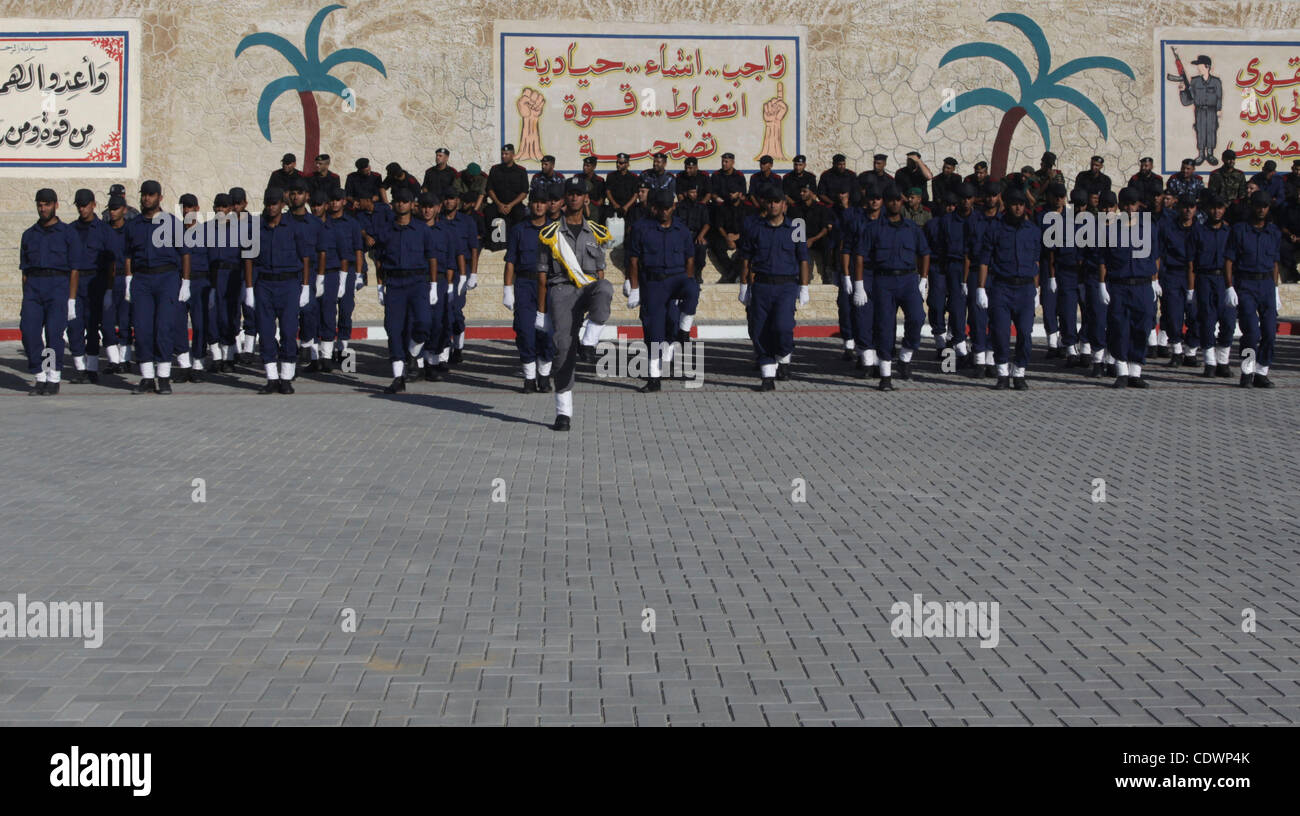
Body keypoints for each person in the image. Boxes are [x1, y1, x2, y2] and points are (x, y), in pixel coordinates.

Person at [535, 176, 614, 430]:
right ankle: (563, 413)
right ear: (564, 198)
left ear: (586, 198)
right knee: (563, 349)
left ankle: (589, 342)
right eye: (570, 193)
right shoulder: (550, 233)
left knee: (606, 287)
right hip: (562, 291)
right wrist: (542, 311)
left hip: (588, 287)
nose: (574, 197)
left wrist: (598, 301)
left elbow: (600, 271)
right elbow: (543, 274)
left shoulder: (596, 232)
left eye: (579, 193)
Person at [625, 189, 700, 392]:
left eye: (668, 208)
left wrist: (687, 281)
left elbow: (690, 258)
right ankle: (654, 378)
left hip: (677, 280)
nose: (664, 212)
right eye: (660, 208)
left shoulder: (682, 230)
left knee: (693, 289)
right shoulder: (641, 228)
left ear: (673, 207)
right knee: (654, 331)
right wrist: (634, 288)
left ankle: (684, 331)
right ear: (653, 207)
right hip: (653, 284)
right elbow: (633, 260)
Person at [738, 187, 809, 390]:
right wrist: (744, 286)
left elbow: (803, 258)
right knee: (760, 331)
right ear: (764, 204)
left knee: (783, 327)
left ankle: (784, 357)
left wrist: (804, 287)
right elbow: (746, 259)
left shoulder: (796, 227)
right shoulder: (755, 228)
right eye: (769, 201)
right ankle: (767, 377)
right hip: (761, 285)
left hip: (786, 286)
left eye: (777, 201)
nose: (773, 205)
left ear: (784, 205)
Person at [124, 180, 191, 395]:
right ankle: (146, 377)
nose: (147, 198)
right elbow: (127, 255)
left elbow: (185, 253)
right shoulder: (133, 225)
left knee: (164, 328)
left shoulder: (172, 222)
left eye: (152, 194)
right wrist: (128, 279)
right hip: (142, 280)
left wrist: (186, 282)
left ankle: (163, 377)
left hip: (167, 278)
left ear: (160, 198)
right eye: (144, 194)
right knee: (142, 329)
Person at [247, 186, 311, 393]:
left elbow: (306, 257)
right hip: (264, 284)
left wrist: (306, 286)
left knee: (288, 331)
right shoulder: (257, 228)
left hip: (289, 284)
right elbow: (248, 259)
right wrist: (248, 288)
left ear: (282, 205)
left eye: (274, 203)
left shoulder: (293, 227)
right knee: (265, 332)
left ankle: (286, 378)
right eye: (268, 203)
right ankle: (271, 378)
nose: (271, 207)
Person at [976, 186, 1040, 389]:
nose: (1019, 208)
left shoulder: (1033, 231)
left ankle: (1019, 372)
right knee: (1001, 333)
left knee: (1024, 333)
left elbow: (1036, 262)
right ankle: (1002, 373)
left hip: (1025, 288)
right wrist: (981, 288)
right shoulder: (995, 228)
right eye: (1015, 204)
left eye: (1022, 205)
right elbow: (985, 261)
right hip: (1001, 288)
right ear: (1008, 206)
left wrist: (1037, 290)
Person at [868, 186, 930, 391]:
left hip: (908, 280)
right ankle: (885, 376)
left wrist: (923, 279)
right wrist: (859, 283)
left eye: (898, 200)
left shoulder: (912, 228)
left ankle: (905, 356)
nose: (894, 203)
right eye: (891, 200)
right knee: (885, 327)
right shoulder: (876, 228)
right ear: (886, 203)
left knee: (917, 317)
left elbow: (924, 253)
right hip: (884, 281)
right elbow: (861, 255)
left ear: (902, 202)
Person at [18, 188, 80, 395]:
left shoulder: (68, 233)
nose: (42, 208)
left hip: (57, 285)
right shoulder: (29, 235)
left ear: (56, 205)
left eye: (46, 204)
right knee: (29, 331)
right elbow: (24, 271)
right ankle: (39, 375)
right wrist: (26, 296)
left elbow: (74, 270)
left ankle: (53, 376)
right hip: (34, 286)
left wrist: (71, 299)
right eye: (39, 204)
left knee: (54, 334)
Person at [1099, 188, 1162, 388]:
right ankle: (1122, 372)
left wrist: (1154, 281)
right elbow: (1102, 260)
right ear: (1119, 206)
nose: (1129, 208)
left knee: (1142, 327)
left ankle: (1136, 372)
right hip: (1119, 286)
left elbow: (1156, 256)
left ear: (1138, 205)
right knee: (1119, 328)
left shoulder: (1149, 227)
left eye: (1133, 204)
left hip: (1143, 286)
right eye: (1125, 204)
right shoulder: (1110, 229)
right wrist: (1102, 285)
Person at [1225, 190, 1283, 387]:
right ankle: (1247, 371)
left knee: (1269, 332)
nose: (1261, 210)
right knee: (1251, 332)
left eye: (1265, 206)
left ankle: (1261, 372)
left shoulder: (1274, 232)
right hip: (1246, 284)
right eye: (1258, 206)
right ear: (1252, 207)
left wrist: (1275, 290)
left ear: (1268, 208)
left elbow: (1275, 262)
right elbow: (1229, 260)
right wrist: (1229, 286)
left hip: (1266, 284)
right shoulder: (1240, 230)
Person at [504, 192, 556, 392]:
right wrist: (507, 288)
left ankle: (544, 376)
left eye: (543, 202)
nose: (539, 206)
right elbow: (510, 261)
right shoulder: (519, 230)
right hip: (524, 284)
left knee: (548, 334)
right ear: (530, 204)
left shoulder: (555, 230)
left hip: (549, 285)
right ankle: (528, 378)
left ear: (548, 205)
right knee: (525, 331)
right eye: (536, 202)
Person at [313, 186, 362, 373]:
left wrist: (357, 274)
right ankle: (324, 352)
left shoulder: (351, 223)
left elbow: (358, 249)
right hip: (326, 272)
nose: (334, 203)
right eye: (331, 200)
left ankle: (343, 349)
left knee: (345, 310)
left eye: (337, 200)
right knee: (325, 311)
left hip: (346, 270)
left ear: (343, 202)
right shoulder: (323, 224)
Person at [67, 188, 114, 384]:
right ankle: (80, 368)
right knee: (74, 326)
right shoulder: (69, 230)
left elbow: (111, 262)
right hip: (75, 283)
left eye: (85, 205)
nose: (82, 209)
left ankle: (92, 368)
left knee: (92, 325)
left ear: (94, 205)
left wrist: (109, 290)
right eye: (79, 205)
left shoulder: (104, 230)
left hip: (96, 282)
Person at [929, 183, 976, 368]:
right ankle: (944, 343)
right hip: (943, 267)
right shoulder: (938, 224)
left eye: (952, 205)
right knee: (938, 304)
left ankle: (960, 346)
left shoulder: (973, 221)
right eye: (946, 205)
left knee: (962, 308)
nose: (950, 208)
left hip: (965, 268)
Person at [1188, 193, 1235, 378]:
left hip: (1225, 280)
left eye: (1220, 208)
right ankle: (1210, 363)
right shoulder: (1198, 231)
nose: (1217, 211)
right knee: (1207, 321)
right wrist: (1191, 289)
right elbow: (1190, 262)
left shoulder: (1230, 232)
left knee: (1229, 322)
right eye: (1214, 208)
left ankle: (1223, 362)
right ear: (1208, 210)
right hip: (1205, 279)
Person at [1040, 183, 1084, 366]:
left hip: (1076, 271)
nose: (1059, 199)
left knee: (1077, 311)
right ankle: (1060, 345)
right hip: (1055, 268)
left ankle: (1078, 345)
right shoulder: (1044, 217)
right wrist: (1050, 276)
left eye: (1062, 196)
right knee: (1055, 308)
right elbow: (1049, 250)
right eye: (1056, 196)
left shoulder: (1077, 220)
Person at [171, 193, 212, 383]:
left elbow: (213, 262)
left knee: (199, 324)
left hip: (201, 283)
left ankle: (198, 363)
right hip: (179, 283)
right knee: (177, 323)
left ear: (197, 208)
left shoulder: (207, 233)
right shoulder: (175, 233)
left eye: (189, 207)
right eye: (183, 207)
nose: (186, 210)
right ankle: (184, 363)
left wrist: (212, 289)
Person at [286, 181, 327, 370]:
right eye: (293, 193)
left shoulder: (316, 223)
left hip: (309, 272)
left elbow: (322, 252)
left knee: (310, 311)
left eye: (300, 193)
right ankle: (289, 357)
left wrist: (320, 277)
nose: (296, 197)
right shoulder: (282, 220)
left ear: (307, 196)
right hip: (286, 272)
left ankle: (305, 343)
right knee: (288, 316)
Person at [1156, 193, 1200, 366]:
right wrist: (1157, 279)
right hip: (1173, 275)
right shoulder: (1167, 227)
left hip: (1195, 276)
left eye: (1191, 207)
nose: (1188, 210)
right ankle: (1176, 352)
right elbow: (1158, 254)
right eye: (1185, 206)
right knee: (1173, 316)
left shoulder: (1200, 229)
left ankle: (1191, 353)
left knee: (1196, 316)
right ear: (1178, 207)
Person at [964, 180, 1001, 377]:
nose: (990, 198)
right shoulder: (974, 220)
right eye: (988, 195)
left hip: (998, 274)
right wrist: (964, 280)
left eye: (994, 194)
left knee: (997, 318)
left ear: (999, 197)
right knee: (977, 318)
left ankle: (991, 359)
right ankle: (978, 359)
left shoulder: (1003, 221)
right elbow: (967, 253)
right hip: (977, 272)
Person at [208, 192, 244, 372]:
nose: (221, 210)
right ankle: (216, 358)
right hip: (213, 278)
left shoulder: (242, 229)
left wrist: (247, 284)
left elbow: (248, 258)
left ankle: (229, 357)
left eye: (224, 206)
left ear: (231, 209)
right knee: (213, 318)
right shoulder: (206, 229)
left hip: (233, 277)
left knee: (230, 317)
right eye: (218, 206)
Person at [100, 194, 131, 375]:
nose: (113, 212)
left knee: (126, 322)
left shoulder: (131, 230)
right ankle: (113, 360)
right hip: (108, 281)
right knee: (107, 323)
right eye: (111, 209)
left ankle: (125, 359)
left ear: (124, 210)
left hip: (125, 278)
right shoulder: (104, 231)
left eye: (116, 208)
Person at [1179, 55, 1222, 166]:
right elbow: (1188, 101)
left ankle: (1210, 154)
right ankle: (1201, 155)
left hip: (1212, 111)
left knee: (1211, 131)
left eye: (1200, 66)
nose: (1198, 68)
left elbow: (1219, 96)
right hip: (1200, 111)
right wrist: (1183, 91)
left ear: (1207, 67)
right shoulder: (1194, 82)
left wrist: (1218, 109)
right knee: (1201, 131)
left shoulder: (1216, 82)